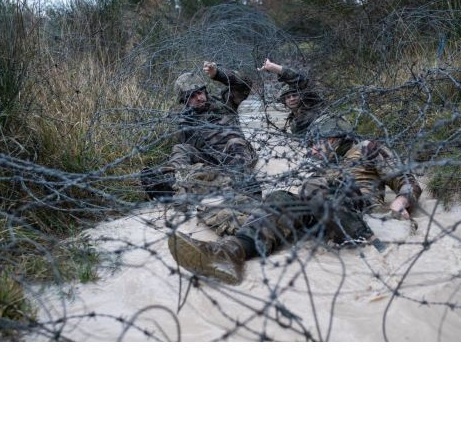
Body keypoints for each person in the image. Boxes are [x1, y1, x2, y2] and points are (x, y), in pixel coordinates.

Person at [167, 115, 422, 285]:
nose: (310, 149)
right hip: (321, 214)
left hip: (359, 208)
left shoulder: (367, 147)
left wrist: (400, 202)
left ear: (333, 138)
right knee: (279, 199)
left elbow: (406, 180)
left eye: (315, 143)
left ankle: (370, 243)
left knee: (311, 187)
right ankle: (228, 254)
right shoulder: (321, 165)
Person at [140, 61, 257, 202]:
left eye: (200, 93)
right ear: (185, 101)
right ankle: (169, 185)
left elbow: (245, 84)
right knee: (180, 148)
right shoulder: (185, 122)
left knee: (234, 142)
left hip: (240, 156)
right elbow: (189, 153)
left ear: (205, 91)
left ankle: (245, 185)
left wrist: (217, 73)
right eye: (192, 96)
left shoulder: (225, 103)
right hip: (214, 163)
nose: (199, 98)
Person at [258, 58, 325, 136]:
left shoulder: (313, 105)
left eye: (295, 95)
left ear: (301, 96)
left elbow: (299, 80)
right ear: (284, 101)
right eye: (288, 97)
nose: (292, 99)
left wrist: (273, 67)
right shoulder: (292, 120)